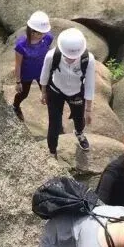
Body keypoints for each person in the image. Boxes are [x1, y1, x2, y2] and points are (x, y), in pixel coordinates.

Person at [40, 28, 94, 157]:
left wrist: (89, 109)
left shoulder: (88, 59)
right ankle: (52, 151)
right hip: (55, 90)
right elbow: (44, 74)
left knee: (79, 119)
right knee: (54, 124)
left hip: (76, 92)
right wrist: (43, 93)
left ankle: (79, 133)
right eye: (68, 55)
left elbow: (90, 84)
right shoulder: (52, 56)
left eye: (74, 56)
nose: (71, 59)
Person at [13, 11, 53, 120]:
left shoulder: (48, 38)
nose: (42, 35)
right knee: (23, 94)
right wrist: (18, 81)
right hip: (26, 73)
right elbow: (18, 64)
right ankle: (15, 106)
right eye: (39, 33)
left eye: (43, 33)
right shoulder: (21, 45)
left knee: (49, 95)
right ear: (31, 30)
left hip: (42, 72)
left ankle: (54, 117)